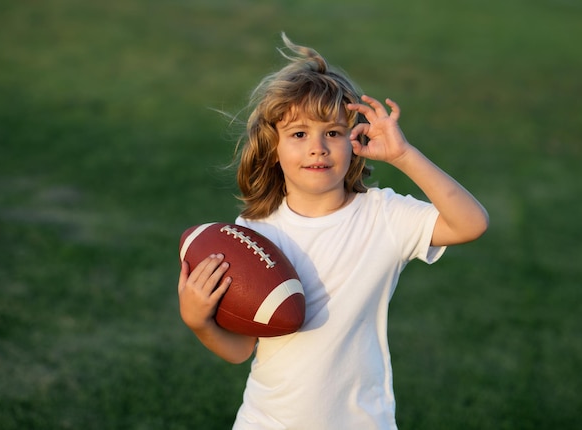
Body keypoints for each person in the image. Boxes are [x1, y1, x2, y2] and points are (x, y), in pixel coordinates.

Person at [178, 33, 489, 429]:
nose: (318, 147)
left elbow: (471, 223)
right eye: (298, 134)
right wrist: (199, 322)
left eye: (333, 132)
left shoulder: (384, 216)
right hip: (266, 420)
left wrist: (405, 156)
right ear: (273, 148)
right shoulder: (254, 231)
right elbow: (241, 350)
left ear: (354, 140)